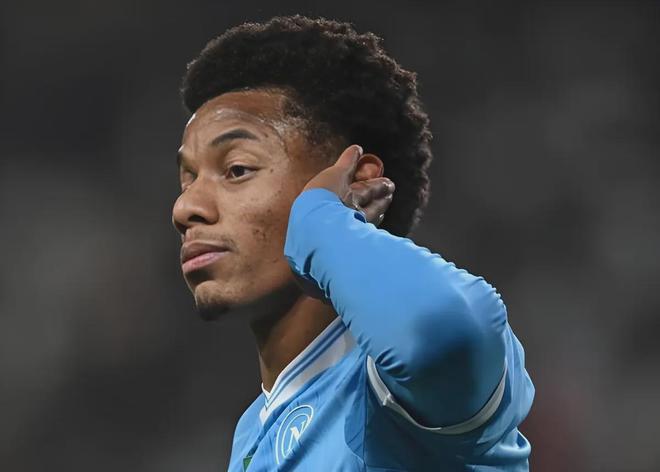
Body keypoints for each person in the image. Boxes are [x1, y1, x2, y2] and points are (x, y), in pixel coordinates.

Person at [172, 15, 534, 471]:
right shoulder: (254, 429)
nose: (184, 207)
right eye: (187, 180)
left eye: (237, 169)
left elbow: (443, 332)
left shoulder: (396, 391)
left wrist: (320, 217)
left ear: (354, 181)